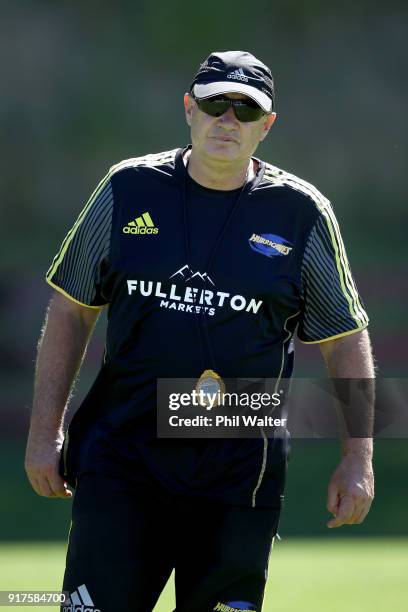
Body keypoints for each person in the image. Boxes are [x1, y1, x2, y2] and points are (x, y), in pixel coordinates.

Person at [25, 51, 375, 612]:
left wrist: (358, 459)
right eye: (215, 103)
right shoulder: (127, 188)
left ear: (267, 125)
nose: (227, 120)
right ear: (189, 108)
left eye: (245, 109)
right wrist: (45, 432)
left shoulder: (302, 213)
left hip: (238, 472)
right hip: (123, 456)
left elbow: (344, 336)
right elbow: (71, 309)